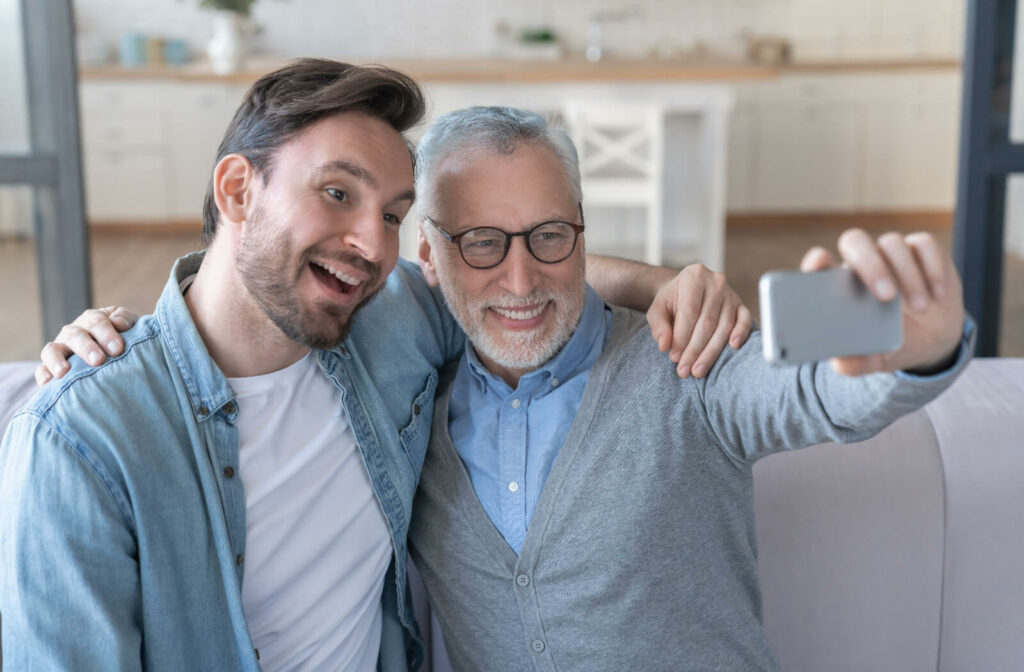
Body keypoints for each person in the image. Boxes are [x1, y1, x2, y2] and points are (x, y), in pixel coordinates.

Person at [0, 63, 749, 671]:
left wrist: (666, 285)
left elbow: (523, 279)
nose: (372, 244)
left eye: (392, 214)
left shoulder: (386, 326)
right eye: (336, 193)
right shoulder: (84, 438)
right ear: (237, 190)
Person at [401, 107, 974, 671]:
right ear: (427, 253)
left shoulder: (687, 360)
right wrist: (648, 278)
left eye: (550, 235)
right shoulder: (413, 404)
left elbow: (815, 393)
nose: (522, 280)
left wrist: (917, 353)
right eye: (481, 243)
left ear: (579, 231)